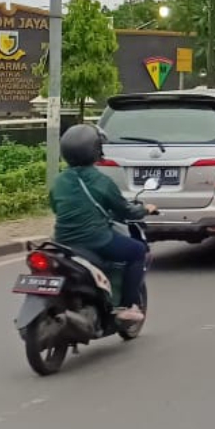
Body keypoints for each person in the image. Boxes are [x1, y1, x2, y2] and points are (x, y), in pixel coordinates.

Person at [51, 124, 156, 324]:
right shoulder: (101, 181)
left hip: (62, 241)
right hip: (96, 240)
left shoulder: (59, 181)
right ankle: (128, 305)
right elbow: (125, 211)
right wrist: (147, 208)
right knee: (137, 251)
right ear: (95, 150)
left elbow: (56, 207)